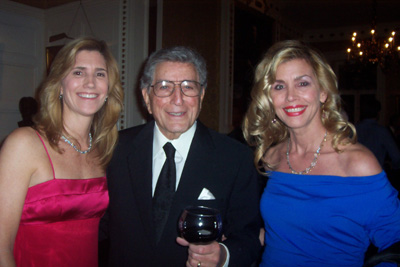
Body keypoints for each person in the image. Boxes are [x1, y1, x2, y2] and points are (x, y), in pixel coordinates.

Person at [99, 46, 261, 267]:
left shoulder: (235, 158)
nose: (178, 99)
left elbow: (249, 236)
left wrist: (223, 255)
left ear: (201, 95)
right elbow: (96, 224)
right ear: (147, 97)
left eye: (188, 87)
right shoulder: (115, 149)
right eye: (164, 87)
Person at [243, 40, 400, 266]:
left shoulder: (357, 162)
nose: (290, 96)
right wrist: (229, 243)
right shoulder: (272, 158)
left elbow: (395, 243)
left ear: (323, 92)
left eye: (303, 83)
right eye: (279, 86)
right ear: (269, 99)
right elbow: (282, 234)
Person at [0, 37, 124, 266]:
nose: (90, 83)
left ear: (108, 89)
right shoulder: (24, 144)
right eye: (78, 72)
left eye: (100, 74)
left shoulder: (105, 150)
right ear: (59, 84)